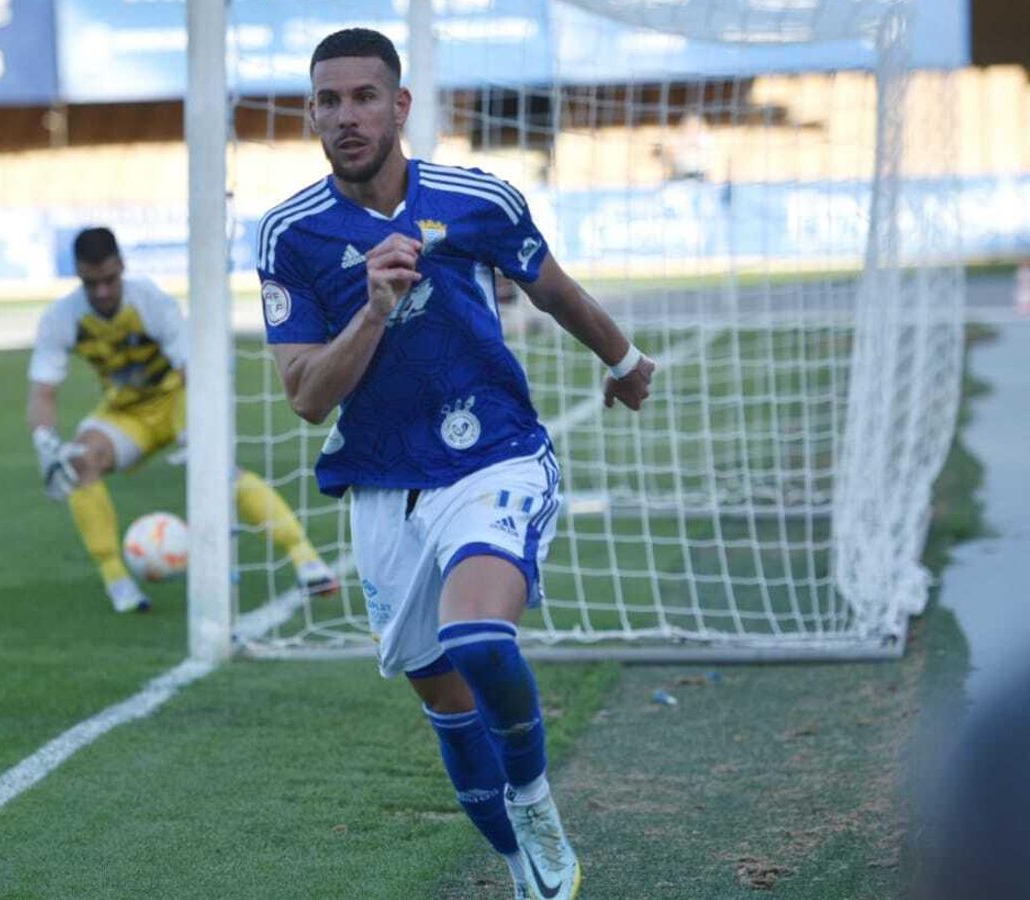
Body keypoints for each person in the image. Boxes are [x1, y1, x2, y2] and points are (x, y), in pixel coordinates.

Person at [258, 30, 654, 900]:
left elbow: (552, 287)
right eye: (329, 101)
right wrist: (372, 309)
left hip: (495, 456)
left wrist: (624, 363)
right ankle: (523, 864)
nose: (347, 116)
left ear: (400, 107)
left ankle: (537, 798)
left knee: (478, 634)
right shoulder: (290, 236)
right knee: (444, 702)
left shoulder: (476, 199)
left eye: (365, 97)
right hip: (384, 487)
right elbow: (306, 397)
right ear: (312, 114)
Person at [28, 227, 338, 613]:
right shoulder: (62, 317)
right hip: (126, 413)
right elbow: (42, 392)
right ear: (77, 275)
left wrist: (201, 431)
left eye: (109, 280)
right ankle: (118, 582)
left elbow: (194, 369)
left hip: (178, 399)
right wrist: (45, 442)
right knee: (76, 463)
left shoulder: (151, 302)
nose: (103, 291)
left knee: (217, 469)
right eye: (92, 283)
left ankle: (306, 559)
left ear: (122, 266)